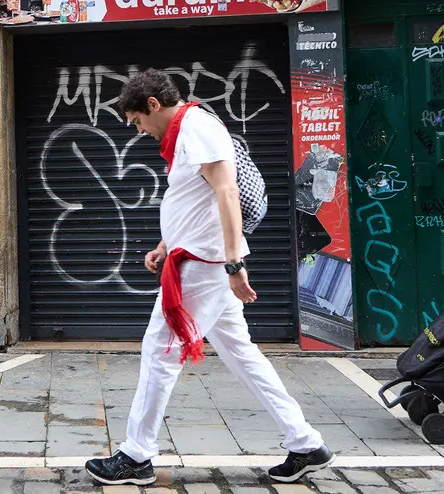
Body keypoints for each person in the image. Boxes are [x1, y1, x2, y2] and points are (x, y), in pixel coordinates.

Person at [85, 69, 335, 486]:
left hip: (205, 266)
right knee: (242, 355)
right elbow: (194, 201)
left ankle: (136, 455)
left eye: (138, 120)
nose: (139, 130)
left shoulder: (197, 128)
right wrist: (165, 244)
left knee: (160, 352)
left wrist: (234, 264)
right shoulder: (185, 133)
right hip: (199, 259)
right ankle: (306, 443)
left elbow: (226, 192)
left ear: (153, 105)